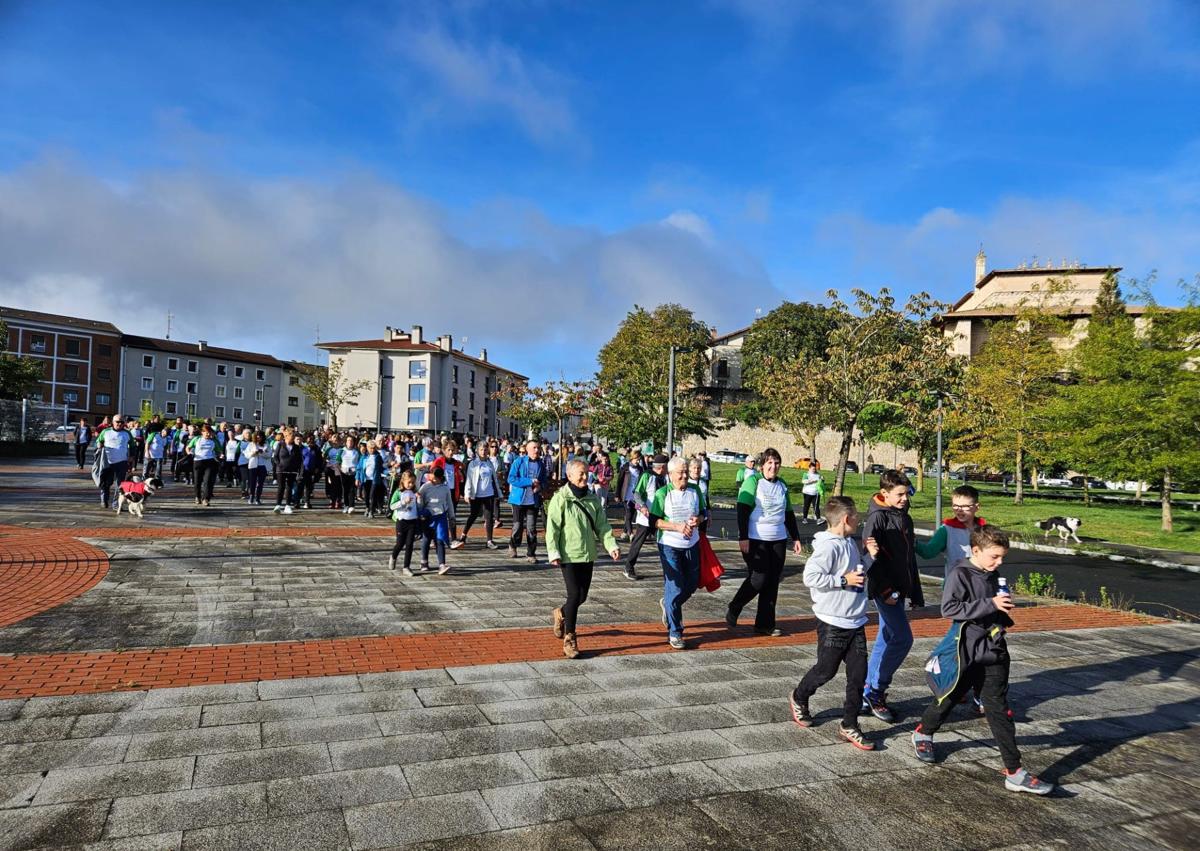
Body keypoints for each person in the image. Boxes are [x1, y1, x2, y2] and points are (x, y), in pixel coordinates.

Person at [911, 526, 1054, 795]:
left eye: (1002, 558)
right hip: (966, 649)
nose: (999, 563)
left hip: (994, 649)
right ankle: (923, 732)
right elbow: (949, 609)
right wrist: (991, 604)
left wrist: (1002, 613)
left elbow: (993, 605)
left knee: (998, 709)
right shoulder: (960, 573)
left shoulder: (993, 574)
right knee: (950, 697)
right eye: (995, 557)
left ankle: (1014, 772)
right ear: (976, 551)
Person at [789, 496, 880, 751]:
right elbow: (811, 577)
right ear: (846, 519)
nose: (859, 522)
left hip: (856, 621)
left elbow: (858, 573)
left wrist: (870, 558)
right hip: (832, 621)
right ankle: (799, 696)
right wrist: (842, 581)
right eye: (857, 518)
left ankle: (849, 724)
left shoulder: (848, 543)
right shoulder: (828, 547)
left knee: (858, 675)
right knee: (825, 671)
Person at [861, 469, 921, 722]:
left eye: (906, 494)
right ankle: (877, 691)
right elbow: (871, 559)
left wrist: (915, 592)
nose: (904, 499)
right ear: (884, 494)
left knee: (886, 638)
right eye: (899, 495)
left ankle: (867, 691)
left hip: (899, 587)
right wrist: (886, 591)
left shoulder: (902, 515)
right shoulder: (877, 519)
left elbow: (909, 559)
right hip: (885, 590)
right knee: (903, 639)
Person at [546, 458, 620, 659]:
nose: (584, 476)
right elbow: (552, 528)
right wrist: (553, 552)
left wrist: (611, 545)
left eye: (586, 473)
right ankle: (570, 639)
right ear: (569, 475)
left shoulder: (592, 499)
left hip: (587, 554)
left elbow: (602, 526)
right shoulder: (561, 498)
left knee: (582, 597)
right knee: (573, 595)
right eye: (580, 473)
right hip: (568, 555)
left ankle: (560, 613)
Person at [727, 448, 803, 637]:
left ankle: (765, 624)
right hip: (755, 538)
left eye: (776, 463)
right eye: (769, 463)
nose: (773, 467)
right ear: (762, 465)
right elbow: (742, 509)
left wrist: (796, 537)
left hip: (777, 539)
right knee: (759, 578)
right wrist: (743, 537)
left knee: (772, 582)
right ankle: (735, 606)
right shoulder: (752, 482)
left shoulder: (782, 484)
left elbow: (788, 513)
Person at [651, 456, 708, 650]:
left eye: (686, 471)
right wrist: (676, 526)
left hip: (692, 544)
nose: (684, 476)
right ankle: (675, 632)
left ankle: (668, 604)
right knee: (675, 586)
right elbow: (655, 521)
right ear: (670, 474)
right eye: (680, 473)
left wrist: (697, 520)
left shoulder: (695, 490)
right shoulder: (662, 493)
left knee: (691, 584)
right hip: (669, 544)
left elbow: (704, 513)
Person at [625, 454, 668, 581]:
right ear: (662, 467)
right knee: (638, 542)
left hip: (661, 515)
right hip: (647, 515)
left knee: (665, 542)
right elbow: (637, 493)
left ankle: (670, 568)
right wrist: (642, 506)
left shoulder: (665, 478)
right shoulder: (647, 475)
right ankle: (628, 567)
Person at [506, 439, 549, 564]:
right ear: (528, 450)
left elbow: (544, 480)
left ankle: (531, 553)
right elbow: (511, 478)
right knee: (517, 526)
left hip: (533, 500)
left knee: (531, 528)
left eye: (538, 448)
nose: (537, 450)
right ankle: (513, 545)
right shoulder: (519, 461)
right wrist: (529, 482)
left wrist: (540, 487)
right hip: (519, 500)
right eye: (534, 448)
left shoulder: (541, 464)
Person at [457, 442, 498, 549]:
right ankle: (463, 535)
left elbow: (494, 479)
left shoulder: (490, 463)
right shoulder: (473, 464)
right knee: (473, 515)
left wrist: (498, 492)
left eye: (485, 450)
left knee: (489, 517)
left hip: (488, 493)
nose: (483, 452)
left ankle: (489, 540)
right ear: (477, 451)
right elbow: (469, 480)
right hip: (477, 494)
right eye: (481, 450)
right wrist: (467, 494)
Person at [419, 466, 453, 574]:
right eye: (431, 478)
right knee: (427, 538)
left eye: (435, 479)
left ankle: (442, 564)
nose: (432, 481)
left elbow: (449, 502)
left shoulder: (445, 488)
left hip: (441, 516)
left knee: (440, 539)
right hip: (428, 516)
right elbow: (420, 501)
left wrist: (452, 516)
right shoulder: (425, 487)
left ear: (440, 477)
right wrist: (420, 514)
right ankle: (424, 561)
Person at [93, 415, 132, 509]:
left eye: (122, 422)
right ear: (113, 422)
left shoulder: (127, 433)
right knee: (106, 482)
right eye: (117, 422)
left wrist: (132, 457)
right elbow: (98, 441)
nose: (119, 424)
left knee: (120, 484)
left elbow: (133, 445)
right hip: (108, 462)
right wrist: (99, 444)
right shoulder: (106, 432)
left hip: (122, 461)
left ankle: (116, 503)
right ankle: (104, 499)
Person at [431, 440, 465, 541]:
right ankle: (434, 538)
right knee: (439, 515)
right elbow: (432, 476)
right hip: (440, 492)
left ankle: (453, 539)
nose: (451, 452)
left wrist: (461, 472)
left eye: (452, 450)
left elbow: (462, 472)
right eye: (448, 450)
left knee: (452, 516)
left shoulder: (456, 463)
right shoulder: (438, 462)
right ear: (444, 450)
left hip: (453, 492)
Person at [388, 470, 421, 575]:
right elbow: (392, 506)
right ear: (403, 481)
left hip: (412, 521)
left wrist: (419, 499)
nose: (411, 485)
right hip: (401, 522)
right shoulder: (398, 492)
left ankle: (406, 567)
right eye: (409, 482)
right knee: (400, 543)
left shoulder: (415, 492)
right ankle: (393, 556)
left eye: (413, 482)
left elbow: (419, 506)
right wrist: (402, 502)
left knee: (409, 544)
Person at [188, 423, 221, 506]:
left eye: (209, 432)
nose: (208, 434)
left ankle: (206, 499)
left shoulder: (213, 441)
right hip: (198, 461)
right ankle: (197, 497)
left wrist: (221, 455)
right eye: (206, 432)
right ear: (202, 432)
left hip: (209, 462)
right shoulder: (197, 439)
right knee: (197, 481)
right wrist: (189, 452)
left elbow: (219, 451)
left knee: (208, 481)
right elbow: (188, 447)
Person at [615, 449, 644, 542]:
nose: (638, 461)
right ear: (632, 458)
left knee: (631, 515)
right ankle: (631, 533)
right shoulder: (625, 468)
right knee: (628, 514)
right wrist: (617, 494)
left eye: (639, 459)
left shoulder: (640, 469)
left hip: (636, 495)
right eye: (637, 459)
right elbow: (619, 482)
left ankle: (624, 532)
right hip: (626, 494)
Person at [272, 428, 302, 514]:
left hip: (292, 470)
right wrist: (279, 464)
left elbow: (299, 459)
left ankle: (288, 505)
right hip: (281, 470)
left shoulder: (296, 447)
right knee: (281, 487)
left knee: (290, 487)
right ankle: (278, 505)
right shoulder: (280, 444)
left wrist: (297, 469)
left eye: (293, 436)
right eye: (291, 436)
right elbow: (275, 457)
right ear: (286, 436)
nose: (292, 438)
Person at [356, 439, 386, 518]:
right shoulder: (363, 457)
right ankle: (367, 507)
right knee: (366, 495)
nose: (372, 450)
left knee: (373, 495)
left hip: (375, 479)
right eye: (370, 448)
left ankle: (371, 511)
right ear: (367, 448)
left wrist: (388, 472)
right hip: (365, 479)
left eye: (373, 448)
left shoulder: (378, 457)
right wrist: (357, 478)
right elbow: (359, 468)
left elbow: (381, 468)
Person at [338, 435, 360, 515]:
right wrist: (340, 469)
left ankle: (351, 505)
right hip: (344, 472)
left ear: (354, 442)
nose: (350, 442)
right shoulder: (341, 451)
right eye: (348, 440)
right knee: (345, 490)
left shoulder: (356, 452)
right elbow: (338, 461)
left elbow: (359, 462)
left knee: (352, 490)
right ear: (346, 442)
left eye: (351, 441)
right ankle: (346, 505)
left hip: (353, 473)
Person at [247, 431, 268, 505]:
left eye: (260, 437)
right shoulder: (251, 444)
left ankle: (258, 498)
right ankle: (251, 496)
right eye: (257, 436)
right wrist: (253, 453)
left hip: (262, 466)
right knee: (252, 482)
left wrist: (262, 453)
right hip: (253, 465)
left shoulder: (266, 445)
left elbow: (269, 455)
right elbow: (247, 455)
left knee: (260, 483)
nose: (258, 438)